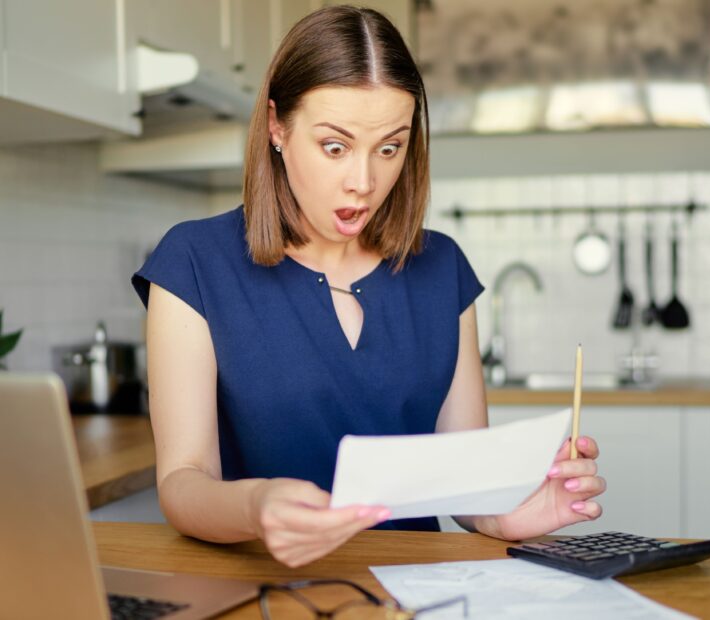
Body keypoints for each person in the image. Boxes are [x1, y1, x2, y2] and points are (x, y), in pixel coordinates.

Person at [132, 5, 605, 569]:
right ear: (277, 126)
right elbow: (184, 482)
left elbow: (462, 483)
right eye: (335, 147)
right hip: (261, 588)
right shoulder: (194, 262)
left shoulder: (442, 269)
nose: (364, 182)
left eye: (389, 147)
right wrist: (256, 505)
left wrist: (503, 514)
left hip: (418, 589)